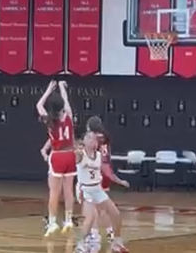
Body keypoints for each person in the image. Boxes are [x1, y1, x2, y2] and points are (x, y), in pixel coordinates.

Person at [72, 131, 129, 253]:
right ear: (84, 141)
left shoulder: (98, 156)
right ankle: (80, 245)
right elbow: (71, 149)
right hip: (85, 190)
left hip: (97, 189)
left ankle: (117, 242)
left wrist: (120, 181)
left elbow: (108, 172)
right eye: (89, 138)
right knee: (90, 217)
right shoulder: (80, 154)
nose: (92, 140)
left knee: (116, 213)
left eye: (94, 139)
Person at [36, 80, 76, 236]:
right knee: (68, 191)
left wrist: (47, 91)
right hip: (70, 154)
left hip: (57, 155)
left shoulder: (49, 120)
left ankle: (52, 222)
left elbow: (38, 105)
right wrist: (61, 87)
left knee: (54, 192)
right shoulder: (69, 117)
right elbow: (66, 102)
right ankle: (68, 219)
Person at [85, 115, 129, 243]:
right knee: (102, 208)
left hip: (95, 174)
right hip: (105, 175)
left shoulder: (92, 139)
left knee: (93, 207)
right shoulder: (105, 138)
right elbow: (106, 161)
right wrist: (115, 178)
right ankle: (110, 232)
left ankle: (94, 233)